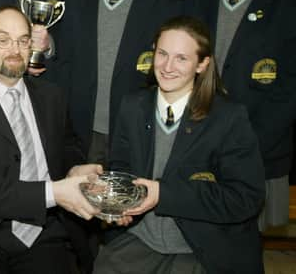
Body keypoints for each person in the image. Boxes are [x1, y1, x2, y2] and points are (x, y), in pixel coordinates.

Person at [0, 6, 102, 274]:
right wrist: (56, 193)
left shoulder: (52, 96)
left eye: (23, 40)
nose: (15, 49)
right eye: (3, 40)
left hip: (46, 231)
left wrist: (74, 169)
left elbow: (68, 147)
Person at [93, 16, 265, 274]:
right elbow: (122, 168)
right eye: (162, 53)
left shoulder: (228, 118)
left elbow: (245, 198)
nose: (167, 66)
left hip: (201, 247)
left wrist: (163, 194)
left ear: (202, 64)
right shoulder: (133, 106)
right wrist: (117, 201)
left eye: (181, 58)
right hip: (141, 239)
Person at [183, 0, 296, 230]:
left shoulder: (286, 6)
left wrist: (244, 146)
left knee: (247, 251)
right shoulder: (194, 0)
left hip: (260, 150)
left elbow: (288, 92)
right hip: (197, 148)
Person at [53, 0, 180, 161]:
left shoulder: (168, 7)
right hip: (83, 137)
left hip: (141, 134)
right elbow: (61, 68)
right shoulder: (74, 3)